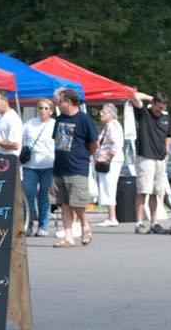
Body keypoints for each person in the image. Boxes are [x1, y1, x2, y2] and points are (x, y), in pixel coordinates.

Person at [49, 89, 99, 248]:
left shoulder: (85, 120)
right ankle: (68, 236)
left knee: (77, 202)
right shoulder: (59, 119)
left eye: (60, 101)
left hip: (77, 167)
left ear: (68, 102)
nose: (58, 104)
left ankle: (85, 225)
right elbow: (56, 140)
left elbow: (93, 144)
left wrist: (84, 156)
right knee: (64, 203)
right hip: (59, 166)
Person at [129, 92, 171, 234]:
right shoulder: (144, 112)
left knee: (155, 192)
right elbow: (134, 96)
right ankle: (139, 223)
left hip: (160, 158)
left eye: (162, 107)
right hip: (146, 157)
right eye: (157, 107)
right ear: (153, 103)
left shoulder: (165, 117)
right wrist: (149, 98)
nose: (159, 110)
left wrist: (166, 150)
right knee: (143, 191)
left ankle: (154, 223)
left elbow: (168, 135)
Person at [21, 98, 57, 237]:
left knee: (44, 197)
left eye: (46, 108)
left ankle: (43, 226)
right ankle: (28, 225)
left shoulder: (55, 124)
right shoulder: (30, 123)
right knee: (28, 196)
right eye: (41, 108)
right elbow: (19, 138)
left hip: (49, 165)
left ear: (51, 111)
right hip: (30, 165)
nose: (43, 111)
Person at [95, 104, 124, 226]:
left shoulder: (112, 126)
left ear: (111, 114)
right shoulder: (110, 126)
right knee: (107, 186)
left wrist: (106, 157)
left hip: (111, 161)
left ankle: (112, 217)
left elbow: (117, 143)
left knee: (109, 186)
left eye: (104, 112)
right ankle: (111, 216)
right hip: (112, 160)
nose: (101, 113)